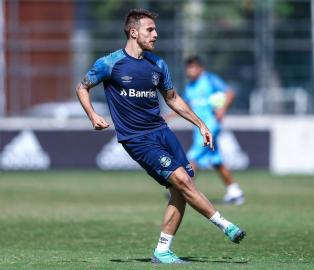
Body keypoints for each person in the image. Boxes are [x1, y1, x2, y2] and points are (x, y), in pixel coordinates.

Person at [75, 9, 245, 264]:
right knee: (182, 182)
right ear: (134, 32)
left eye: (155, 30)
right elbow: (83, 87)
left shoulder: (158, 64)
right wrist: (92, 115)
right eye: (150, 30)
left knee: (181, 186)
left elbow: (173, 99)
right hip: (137, 138)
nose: (156, 34)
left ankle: (163, 250)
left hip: (162, 132)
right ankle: (226, 225)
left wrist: (200, 124)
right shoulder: (110, 63)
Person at [165, 56, 245, 205]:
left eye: (193, 67)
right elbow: (184, 106)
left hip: (210, 126)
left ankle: (180, 188)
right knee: (216, 162)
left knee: (192, 157)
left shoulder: (210, 79)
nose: (189, 70)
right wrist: (168, 117)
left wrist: (222, 108)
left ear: (200, 68)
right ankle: (235, 192)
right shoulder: (190, 86)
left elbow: (229, 93)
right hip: (199, 128)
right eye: (188, 68)